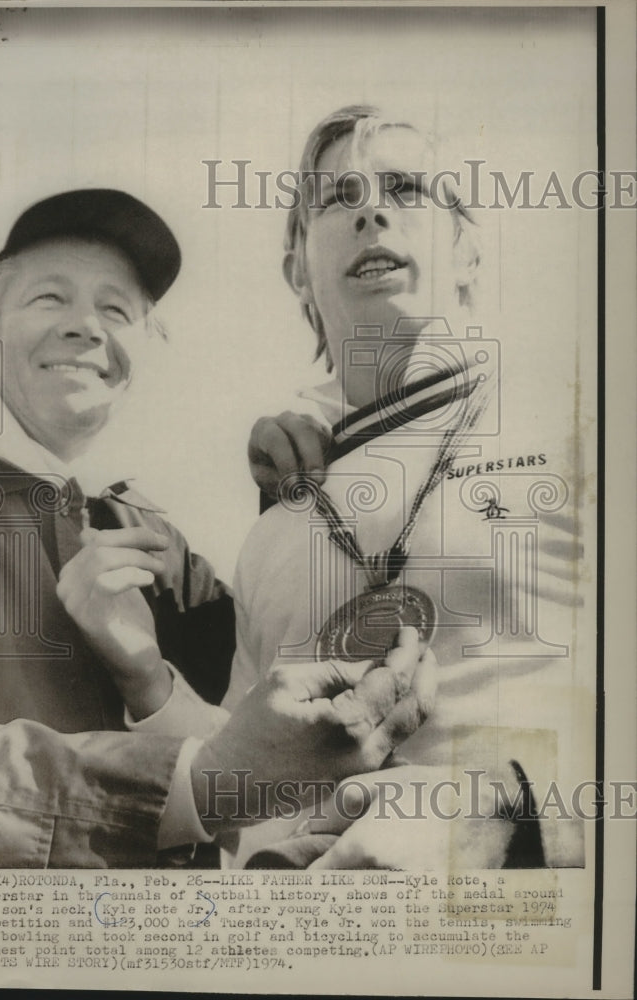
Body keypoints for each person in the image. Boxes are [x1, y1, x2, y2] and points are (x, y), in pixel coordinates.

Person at [0, 187, 435, 867]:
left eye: (116, 309)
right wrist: (197, 784)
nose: (86, 327)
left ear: (146, 347)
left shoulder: (148, 536)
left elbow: (261, 707)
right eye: (49, 299)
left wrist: (296, 504)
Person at [230, 106, 588, 867]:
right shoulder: (272, 526)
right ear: (298, 268)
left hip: (520, 945)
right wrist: (148, 681)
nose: (372, 211)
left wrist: (484, 831)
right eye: (339, 197)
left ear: (464, 250)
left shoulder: (577, 421)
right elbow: (234, 782)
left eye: (404, 187)